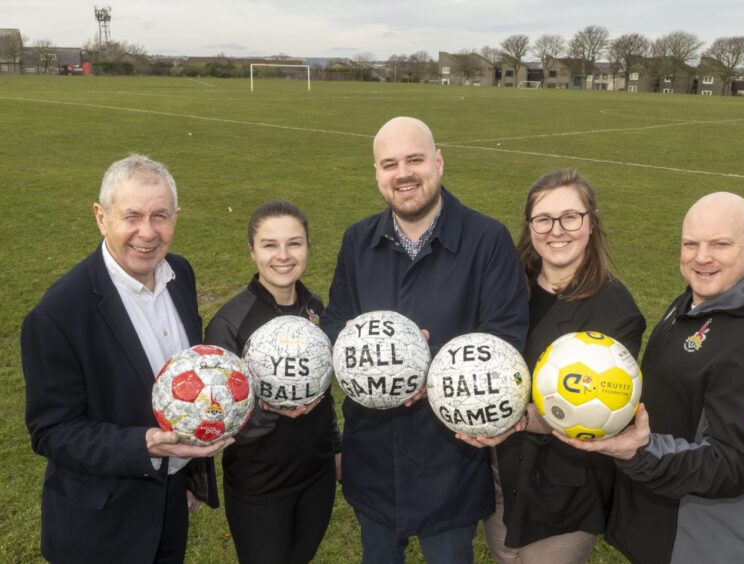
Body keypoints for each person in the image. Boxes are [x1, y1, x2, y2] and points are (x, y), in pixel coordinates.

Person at [562, 192, 744, 563]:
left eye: (720, 244)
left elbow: (732, 463)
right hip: (660, 531)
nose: (702, 257)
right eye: (690, 243)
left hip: (708, 546)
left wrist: (638, 451)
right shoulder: (694, 305)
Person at [321, 116, 529, 563]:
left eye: (414, 159)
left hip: (450, 459)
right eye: (389, 163)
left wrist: (419, 364)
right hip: (373, 454)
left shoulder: (486, 239)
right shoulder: (357, 241)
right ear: (377, 173)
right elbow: (336, 323)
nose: (403, 174)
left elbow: (505, 337)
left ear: (438, 162)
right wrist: (373, 360)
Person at [21, 154, 227, 564]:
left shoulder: (180, 275)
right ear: (101, 217)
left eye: (160, 216)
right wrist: (144, 444)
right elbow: (51, 430)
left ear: (176, 217)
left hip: (169, 506)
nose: (147, 233)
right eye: (131, 216)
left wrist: (185, 476)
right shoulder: (58, 314)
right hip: (101, 526)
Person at [478, 170, 646, 563]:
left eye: (570, 217)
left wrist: (511, 415)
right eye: (543, 219)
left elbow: (591, 406)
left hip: (565, 492)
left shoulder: (615, 308)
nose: (557, 230)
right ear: (530, 226)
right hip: (501, 474)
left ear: (591, 222)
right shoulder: (505, 286)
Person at [204, 200, 341, 564]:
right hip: (261, 487)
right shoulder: (229, 324)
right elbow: (216, 417)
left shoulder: (314, 308)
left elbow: (324, 393)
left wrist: (335, 448)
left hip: (317, 475)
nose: (283, 255)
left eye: (294, 243)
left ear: (308, 247)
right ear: (252, 252)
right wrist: (273, 413)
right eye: (269, 245)